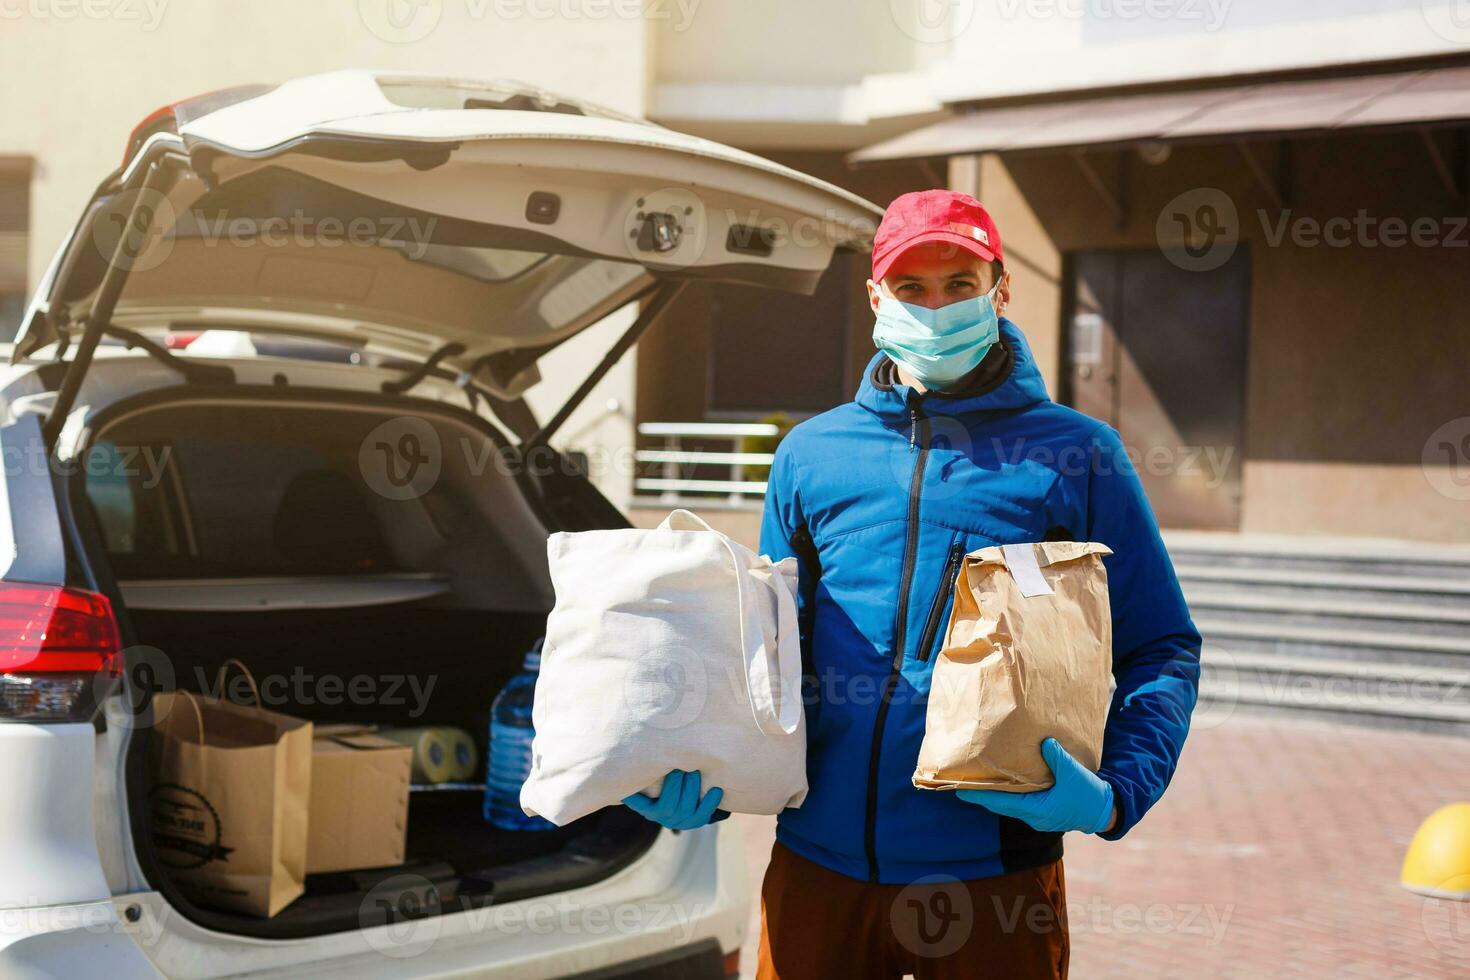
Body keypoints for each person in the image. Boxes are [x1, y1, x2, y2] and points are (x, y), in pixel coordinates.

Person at [624, 190, 1202, 978]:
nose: (936, 308)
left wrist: (1115, 791)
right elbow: (768, 654)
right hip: (817, 865)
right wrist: (710, 773)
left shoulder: (1080, 454)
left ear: (1001, 290)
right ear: (875, 297)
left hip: (994, 873)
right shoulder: (811, 454)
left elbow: (1161, 646)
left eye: (960, 285)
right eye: (912, 288)